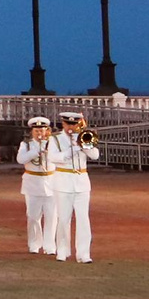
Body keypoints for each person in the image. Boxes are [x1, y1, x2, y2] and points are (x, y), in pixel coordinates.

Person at [51, 110, 100, 262]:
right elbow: (52, 157)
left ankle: (84, 254)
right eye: (68, 124)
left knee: (83, 219)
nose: (71, 127)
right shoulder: (56, 139)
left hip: (81, 182)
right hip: (63, 181)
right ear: (63, 123)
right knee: (63, 218)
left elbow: (95, 155)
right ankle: (62, 251)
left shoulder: (84, 136)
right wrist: (70, 151)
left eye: (74, 124)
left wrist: (84, 145)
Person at [17, 116, 57, 255]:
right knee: (33, 216)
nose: (39, 133)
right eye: (36, 130)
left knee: (52, 216)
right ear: (32, 131)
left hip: (51, 182)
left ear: (47, 130)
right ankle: (34, 244)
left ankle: (50, 246)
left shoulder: (53, 143)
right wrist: (37, 151)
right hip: (32, 183)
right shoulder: (26, 145)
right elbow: (21, 159)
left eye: (42, 130)